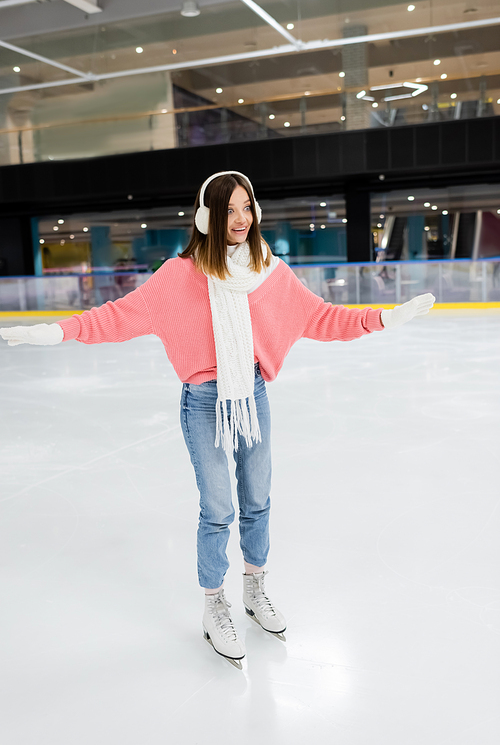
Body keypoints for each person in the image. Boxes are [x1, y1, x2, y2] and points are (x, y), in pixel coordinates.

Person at [0, 171, 435, 669]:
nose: (240, 219)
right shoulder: (179, 276)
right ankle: (214, 606)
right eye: (229, 209)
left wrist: (381, 319)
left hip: (252, 394)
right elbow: (116, 317)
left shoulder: (269, 272)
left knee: (257, 497)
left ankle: (254, 589)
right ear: (207, 217)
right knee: (218, 507)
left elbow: (322, 316)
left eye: (247, 207)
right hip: (204, 401)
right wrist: (56, 333)